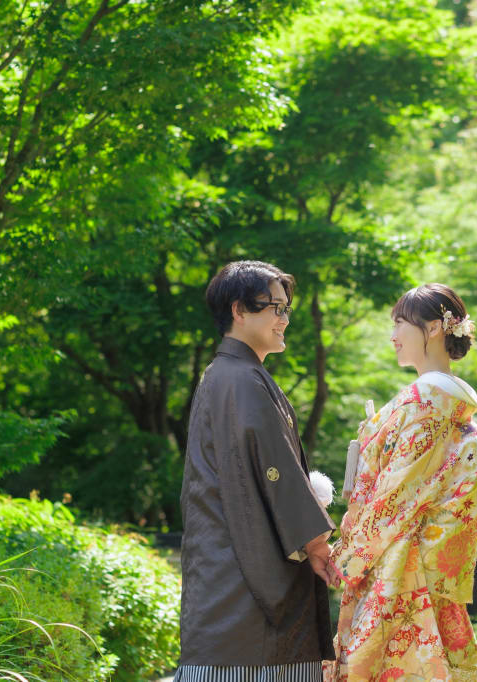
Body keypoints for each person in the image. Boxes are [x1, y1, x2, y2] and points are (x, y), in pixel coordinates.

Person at [325, 283, 477, 682]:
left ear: (435, 328)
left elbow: (393, 496)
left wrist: (347, 556)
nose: (393, 336)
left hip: (397, 577)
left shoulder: (424, 408)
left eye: (401, 323)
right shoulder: (464, 422)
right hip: (430, 579)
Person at [175, 260, 337, 682]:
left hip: (222, 567)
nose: (283, 319)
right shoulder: (242, 379)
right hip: (243, 580)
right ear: (238, 310)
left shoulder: (226, 375)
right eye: (274, 308)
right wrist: (317, 543)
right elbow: (276, 470)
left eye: (286, 309)